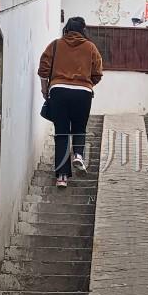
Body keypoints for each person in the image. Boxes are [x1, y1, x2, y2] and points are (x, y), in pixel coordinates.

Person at [38, 17, 103, 188]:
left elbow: (43, 69)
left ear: (66, 28)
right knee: (79, 127)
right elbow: (97, 73)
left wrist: (45, 90)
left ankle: (62, 177)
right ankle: (78, 155)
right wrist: (86, 83)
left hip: (58, 91)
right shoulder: (91, 47)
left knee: (61, 133)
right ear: (83, 30)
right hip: (83, 93)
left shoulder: (55, 45)